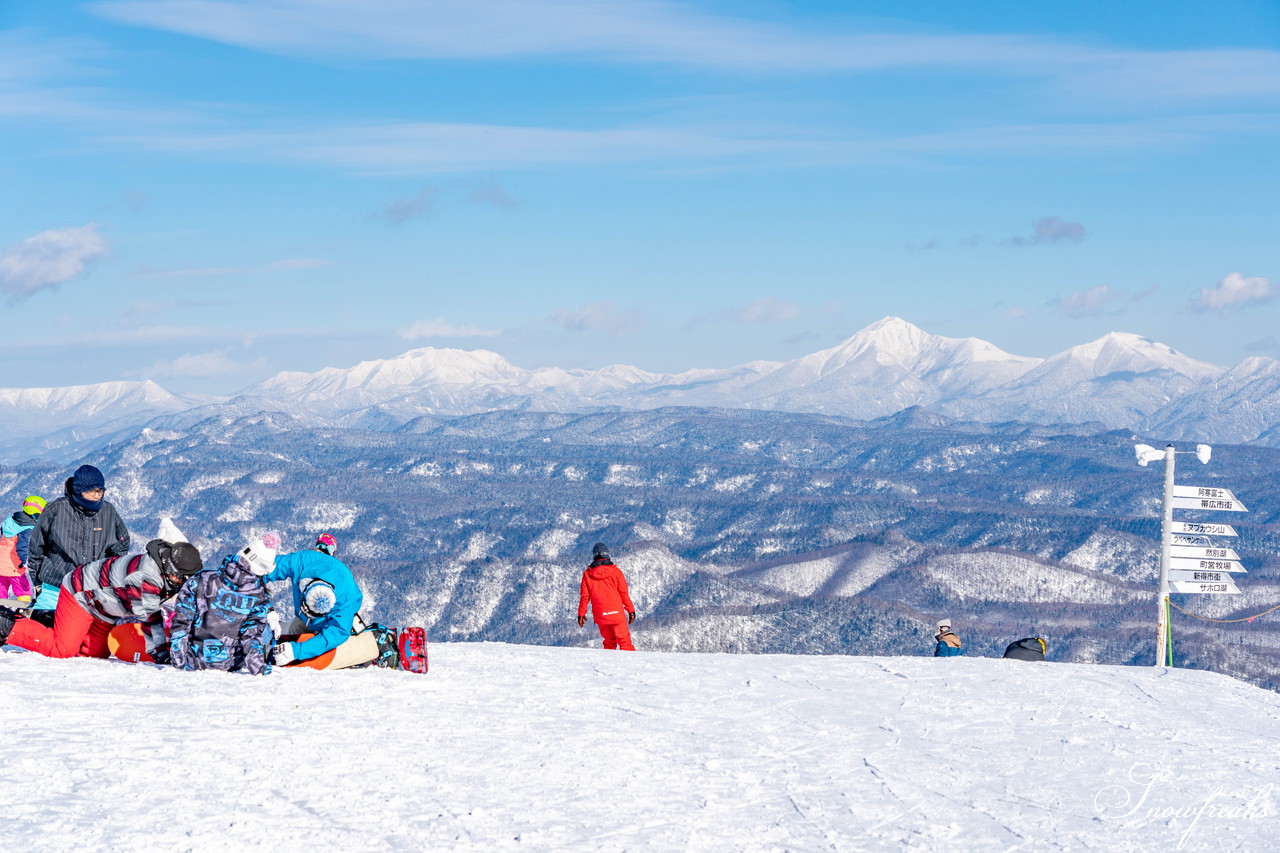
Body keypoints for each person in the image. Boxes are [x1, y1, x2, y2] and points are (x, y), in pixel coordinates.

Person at [1, 539, 202, 661]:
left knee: (94, 655)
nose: (182, 583)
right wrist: (161, 652)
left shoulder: (169, 573)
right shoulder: (146, 577)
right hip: (81, 592)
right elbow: (149, 616)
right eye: (179, 578)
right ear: (170, 568)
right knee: (62, 650)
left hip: (104, 608)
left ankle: (52, 622)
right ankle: (7, 624)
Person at [251, 532, 375, 669]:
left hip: (330, 622)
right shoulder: (301, 561)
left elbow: (336, 633)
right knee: (293, 633)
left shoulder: (345, 597)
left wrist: (297, 651)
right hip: (302, 620)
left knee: (330, 644)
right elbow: (270, 567)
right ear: (305, 586)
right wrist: (253, 589)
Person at [26, 465, 130, 612]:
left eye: (100, 490)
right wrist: (37, 580)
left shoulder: (108, 511)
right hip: (55, 587)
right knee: (44, 629)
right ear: (78, 490)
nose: (96, 495)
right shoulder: (57, 509)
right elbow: (37, 545)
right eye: (91, 491)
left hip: (91, 589)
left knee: (88, 634)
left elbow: (121, 543)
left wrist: (107, 574)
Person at [168, 545, 275, 675]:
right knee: (268, 629)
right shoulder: (258, 596)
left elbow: (181, 621)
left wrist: (178, 662)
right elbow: (251, 635)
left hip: (194, 659)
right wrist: (259, 669)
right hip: (230, 663)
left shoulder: (201, 579)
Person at [577, 542, 636, 651]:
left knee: (609, 643)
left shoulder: (587, 574)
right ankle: (631, 667)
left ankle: (609, 667)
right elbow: (624, 594)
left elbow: (584, 597)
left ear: (594, 556)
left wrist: (581, 614)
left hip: (601, 615)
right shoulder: (616, 572)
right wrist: (631, 610)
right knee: (625, 644)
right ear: (607, 555)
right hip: (617, 615)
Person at [0, 496, 45, 603]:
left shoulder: (11, 520)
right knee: (22, 586)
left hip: (1, 562)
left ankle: (2, 606)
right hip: (14, 564)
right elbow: (22, 547)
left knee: (2, 585)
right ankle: (24, 605)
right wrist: (24, 562)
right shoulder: (27, 528)